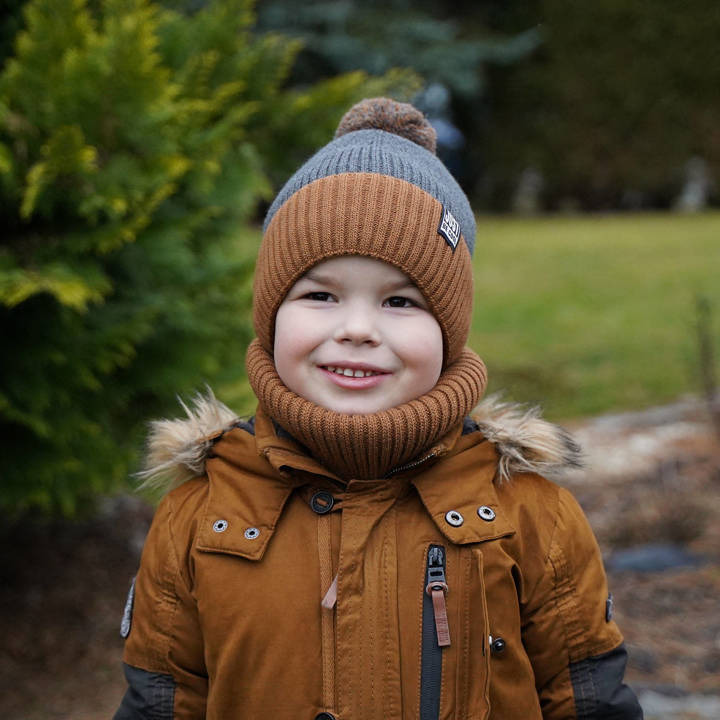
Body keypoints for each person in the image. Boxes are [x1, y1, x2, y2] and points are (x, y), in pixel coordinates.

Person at [114, 98, 643, 719]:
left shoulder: (529, 513)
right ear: (271, 317)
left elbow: (588, 703)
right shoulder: (199, 515)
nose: (358, 328)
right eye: (320, 294)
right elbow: (161, 705)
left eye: (400, 302)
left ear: (449, 332)